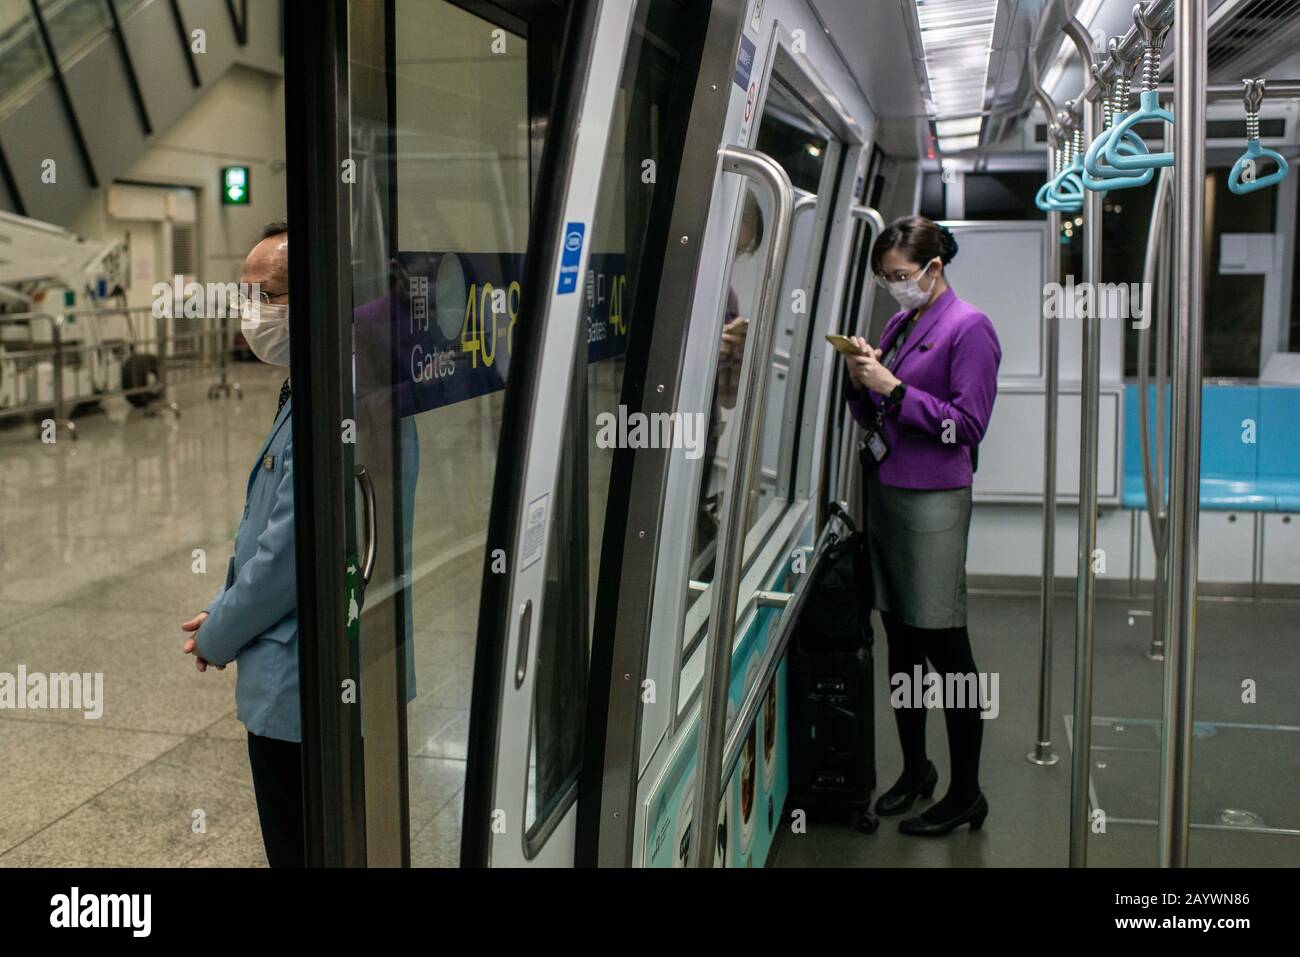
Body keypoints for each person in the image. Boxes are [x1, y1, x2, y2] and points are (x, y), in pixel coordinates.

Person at [841, 216, 1001, 837]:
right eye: (885, 279)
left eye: (901, 277)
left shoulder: (970, 329)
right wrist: (861, 380)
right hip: (885, 494)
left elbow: (967, 426)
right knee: (901, 644)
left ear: (935, 269)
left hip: (932, 503)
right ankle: (916, 770)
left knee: (946, 651)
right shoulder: (899, 324)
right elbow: (873, 411)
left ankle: (967, 791)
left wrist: (896, 388)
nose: (894, 288)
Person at [180, 221, 304, 867]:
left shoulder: (327, 404)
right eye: (244, 292)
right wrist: (220, 605)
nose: (251, 310)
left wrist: (216, 635)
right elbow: (265, 540)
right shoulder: (306, 391)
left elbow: (283, 563)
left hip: (296, 700)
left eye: (269, 293)